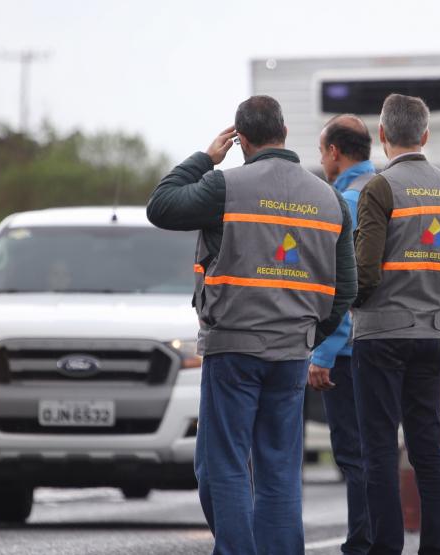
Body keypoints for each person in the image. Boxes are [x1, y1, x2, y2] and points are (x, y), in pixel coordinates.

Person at [146, 95, 357, 554]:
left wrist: (205, 158)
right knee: (279, 470)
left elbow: (161, 206)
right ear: (283, 132)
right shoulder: (330, 198)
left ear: (240, 140)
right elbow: (346, 288)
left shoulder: (226, 187)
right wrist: (309, 336)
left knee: (222, 466)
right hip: (291, 353)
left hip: (233, 349)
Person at [351, 94, 440, 555]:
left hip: (381, 337)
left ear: (382, 135)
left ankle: (386, 547)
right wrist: (435, 283)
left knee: (380, 450)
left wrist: (348, 304)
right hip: (433, 334)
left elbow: (365, 273)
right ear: (425, 135)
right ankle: (437, 549)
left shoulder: (379, 188)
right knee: (428, 448)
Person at [308, 114, 375, 555]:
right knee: (380, 448)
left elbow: (344, 287)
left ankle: (362, 543)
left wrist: (325, 352)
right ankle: (378, 539)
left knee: (353, 453)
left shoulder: (346, 201)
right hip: (390, 339)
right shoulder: (385, 191)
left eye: (321, 150)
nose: (321, 159)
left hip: (351, 350)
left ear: (334, 152)